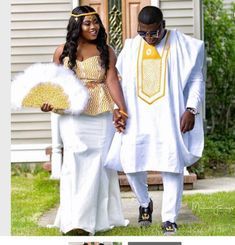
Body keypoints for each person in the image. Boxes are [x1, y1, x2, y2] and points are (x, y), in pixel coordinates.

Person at [106, 6, 205, 235]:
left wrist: (191, 109)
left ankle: (169, 217)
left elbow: (196, 79)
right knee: (131, 163)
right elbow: (116, 83)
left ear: (163, 24)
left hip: (169, 117)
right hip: (136, 117)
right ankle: (144, 203)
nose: (149, 38)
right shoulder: (130, 48)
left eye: (154, 32)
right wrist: (116, 109)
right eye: (143, 33)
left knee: (171, 165)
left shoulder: (183, 45)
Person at [41, 5, 128, 235]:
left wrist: (122, 108)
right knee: (75, 163)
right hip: (72, 115)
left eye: (96, 22)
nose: (93, 27)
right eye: (87, 23)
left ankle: (93, 220)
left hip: (100, 114)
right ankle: (74, 220)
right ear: (76, 26)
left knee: (98, 165)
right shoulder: (61, 52)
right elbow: (55, 85)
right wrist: (47, 101)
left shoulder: (106, 50)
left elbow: (111, 81)